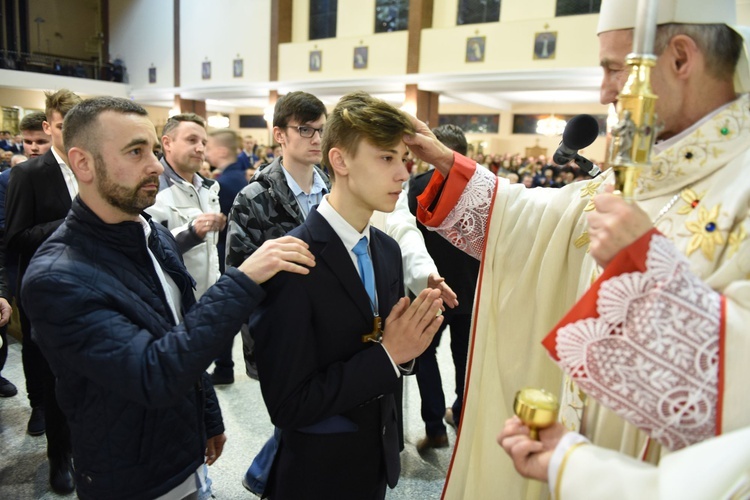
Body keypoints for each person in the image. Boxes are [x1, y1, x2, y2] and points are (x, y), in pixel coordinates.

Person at [402, 0, 750, 497]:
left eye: (613, 68)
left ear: (679, 58)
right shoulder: (638, 174)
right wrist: (446, 163)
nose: (606, 90)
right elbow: (540, 220)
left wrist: (644, 269)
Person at [20, 96, 315, 500]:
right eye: (135, 152)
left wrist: (207, 416)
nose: (156, 166)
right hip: (130, 476)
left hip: (186, 454)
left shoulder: (151, 233)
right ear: (83, 163)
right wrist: (244, 278)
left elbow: (181, 326)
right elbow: (152, 372)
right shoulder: (56, 277)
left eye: (154, 151)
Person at [250, 91, 444, 499]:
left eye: (403, 159)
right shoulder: (293, 261)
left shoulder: (386, 250)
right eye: (386, 158)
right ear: (339, 161)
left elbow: (385, 347)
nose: (403, 174)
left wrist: (406, 352)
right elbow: (288, 404)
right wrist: (389, 354)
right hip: (316, 471)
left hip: (375, 456)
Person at [226, 90, 329, 495]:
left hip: (333, 328)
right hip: (284, 335)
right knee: (292, 422)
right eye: (305, 129)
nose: (316, 138)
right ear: (280, 135)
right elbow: (239, 278)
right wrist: (259, 350)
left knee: (324, 426)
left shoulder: (337, 188)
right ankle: (270, 477)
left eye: (321, 129)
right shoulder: (255, 198)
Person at [5, 88, 81, 494]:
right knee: (52, 379)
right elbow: (15, 237)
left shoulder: (91, 163)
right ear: (49, 125)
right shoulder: (28, 174)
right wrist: (73, 221)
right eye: (62, 125)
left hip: (90, 286)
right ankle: (58, 455)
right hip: (46, 288)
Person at [406, 124, 479, 453]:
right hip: (471, 288)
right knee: (465, 357)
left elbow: (408, 236)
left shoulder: (417, 186)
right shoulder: (482, 189)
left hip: (430, 288)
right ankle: (462, 415)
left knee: (424, 353)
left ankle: (435, 426)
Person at [145, 113, 226, 300]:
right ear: (167, 143)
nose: (200, 148)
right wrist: (191, 233)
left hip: (210, 299)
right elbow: (149, 251)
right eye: (191, 140)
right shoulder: (151, 190)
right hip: (175, 305)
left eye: (204, 143)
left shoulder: (210, 188)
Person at [203, 128, 248, 385]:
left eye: (208, 146)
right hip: (236, 255)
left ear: (220, 151)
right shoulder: (239, 178)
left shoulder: (225, 184)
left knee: (224, 313)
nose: (204, 151)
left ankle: (224, 366)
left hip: (224, 255)